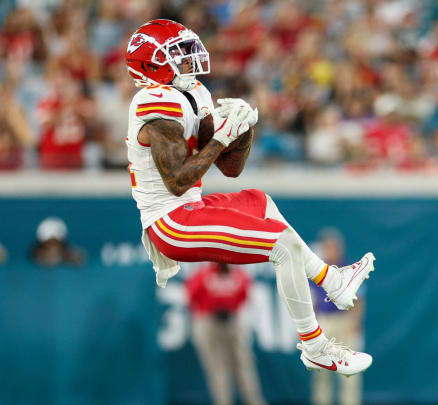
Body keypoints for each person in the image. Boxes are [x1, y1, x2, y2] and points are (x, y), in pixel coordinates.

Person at [124, 19, 376, 376]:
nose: (187, 58)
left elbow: (230, 168)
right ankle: (315, 346)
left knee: (260, 200)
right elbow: (179, 180)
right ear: (153, 63)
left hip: (190, 206)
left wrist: (241, 129)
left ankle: (332, 281)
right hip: (171, 222)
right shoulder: (153, 104)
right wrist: (221, 138)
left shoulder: (191, 92)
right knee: (282, 245)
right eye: (176, 53)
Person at [186, 262, 266, 405]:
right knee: (218, 369)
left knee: (244, 367)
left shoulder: (238, 274)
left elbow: (244, 295)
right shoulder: (203, 274)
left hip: (232, 321)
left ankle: (255, 401)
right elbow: (190, 296)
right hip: (209, 322)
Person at [309, 229, 365, 405]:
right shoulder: (318, 271)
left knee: (349, 373)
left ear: (339, 249)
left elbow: (359, 300)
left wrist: (355, 324)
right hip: (324, 323)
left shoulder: (349, 270)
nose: (329, 251)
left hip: (344, 321)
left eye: (332, 247)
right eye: (326, 247)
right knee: (321, 371)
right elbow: (312, 300)